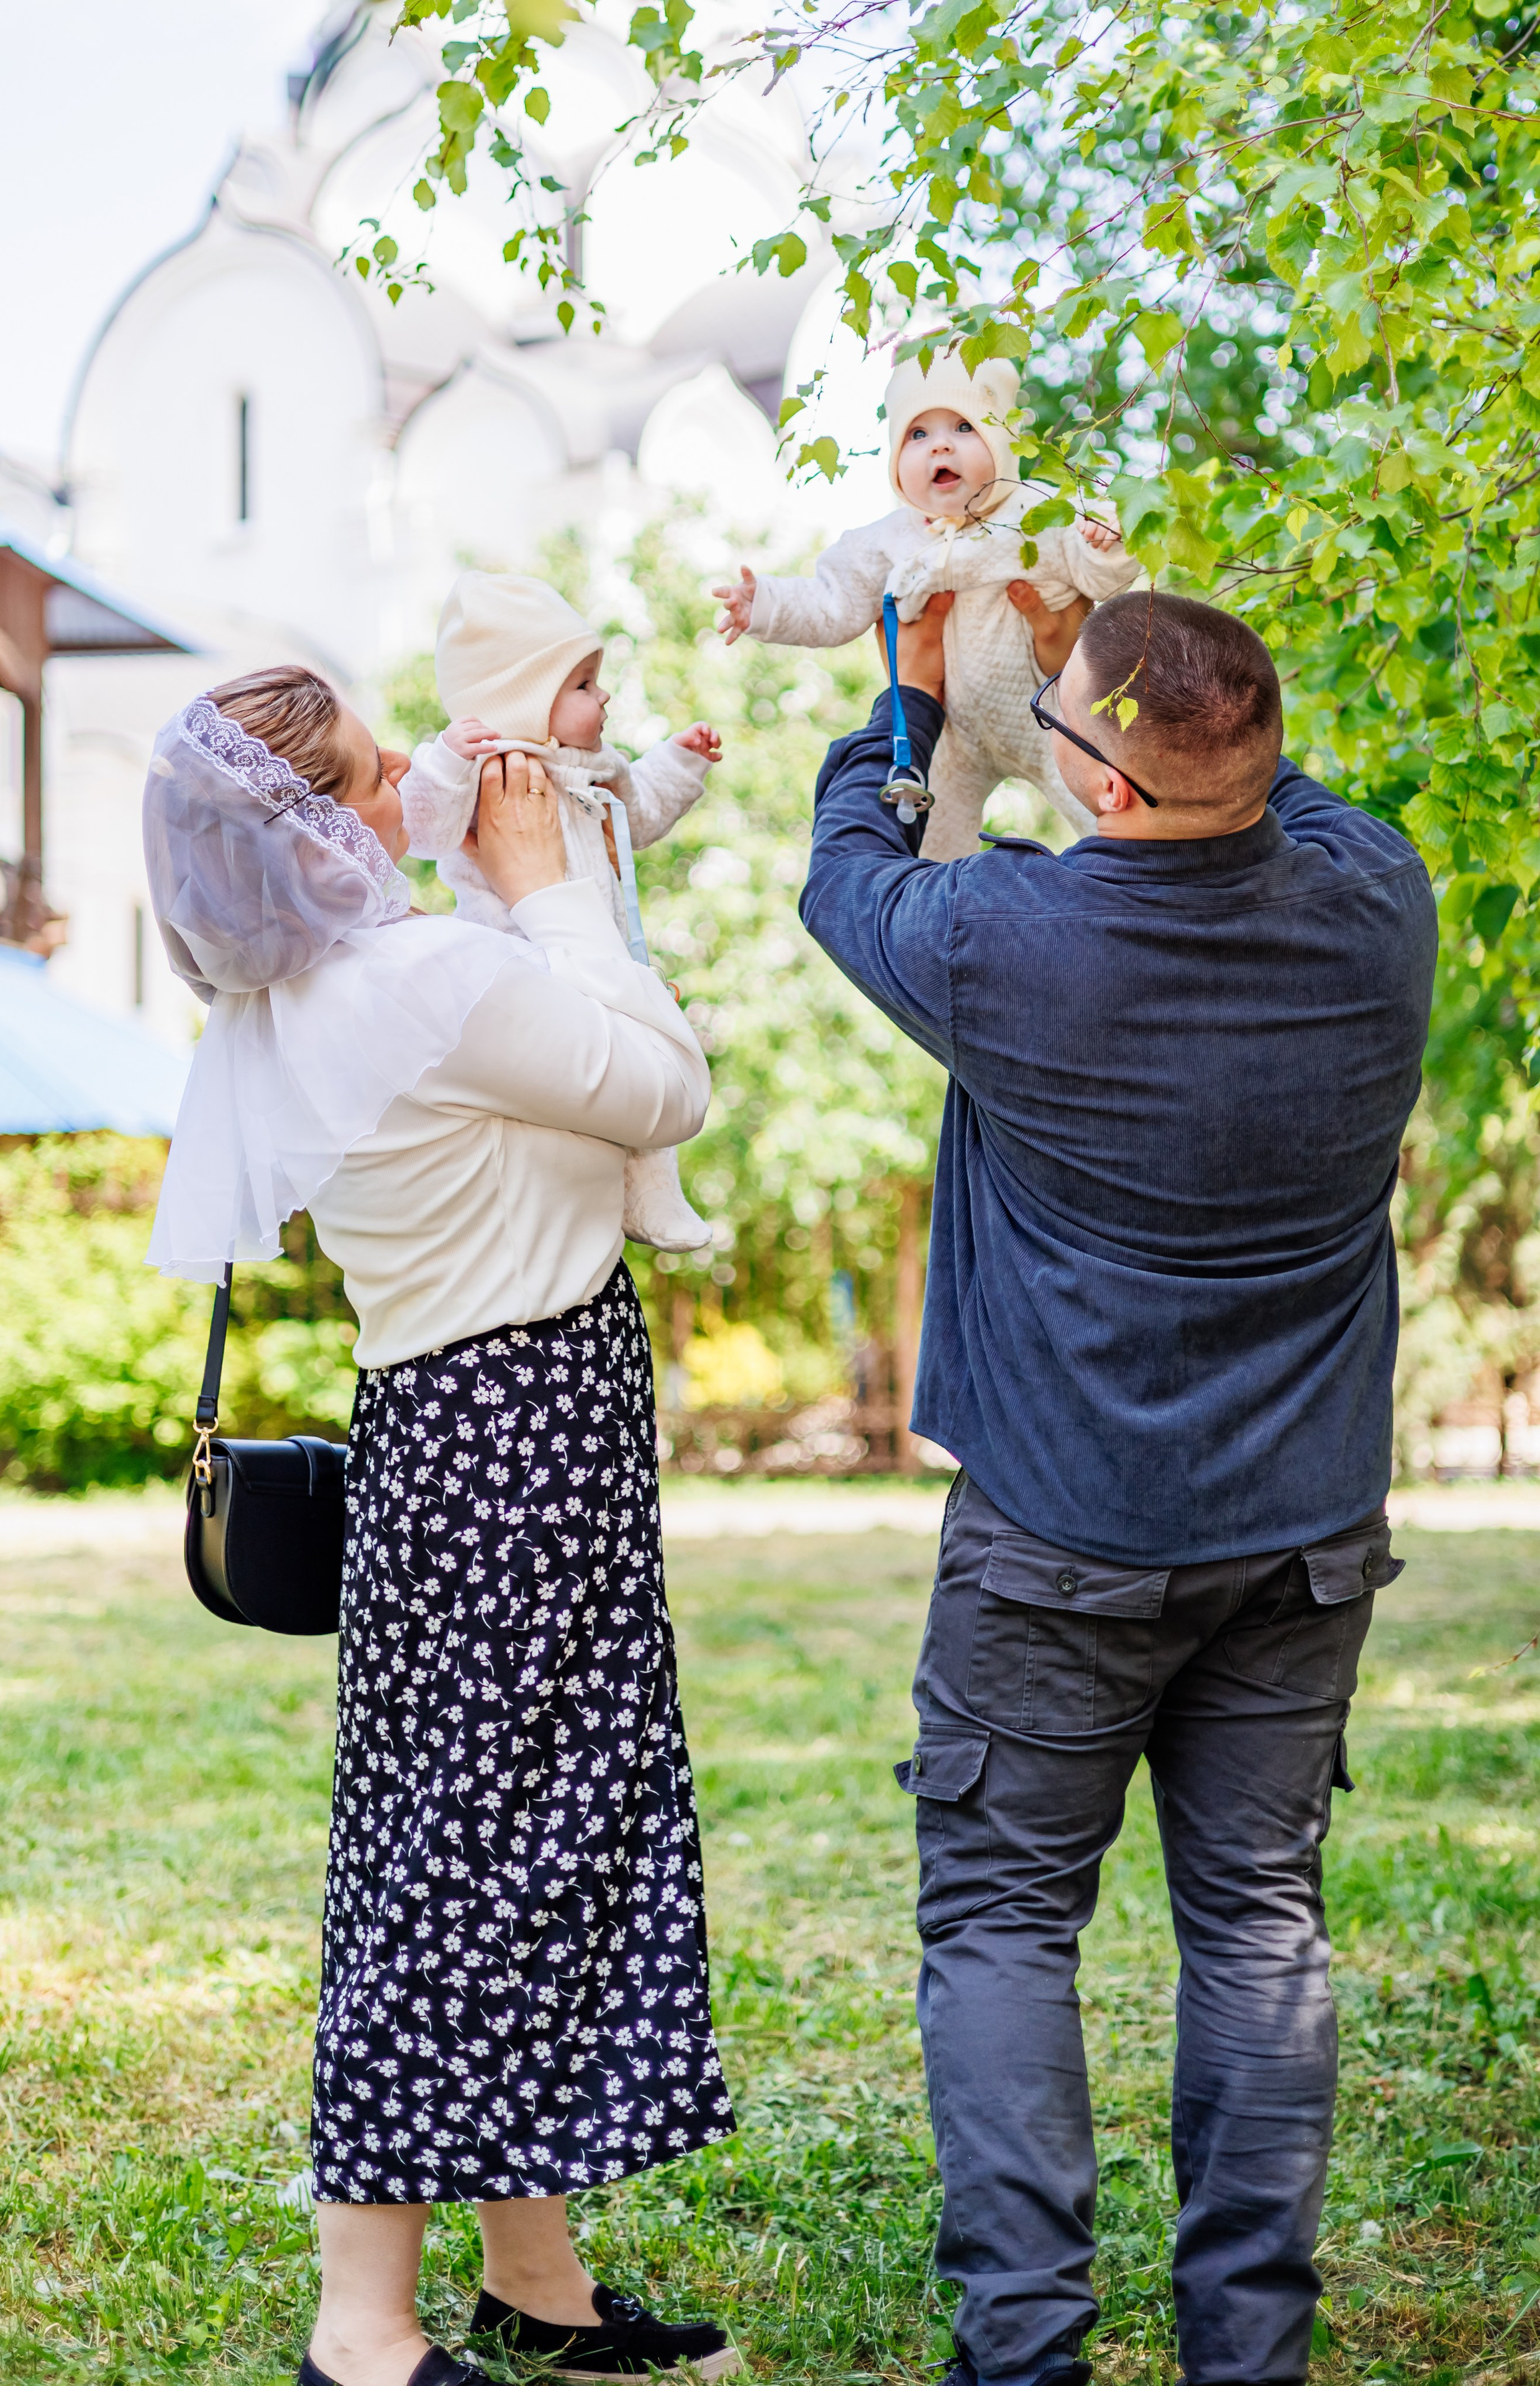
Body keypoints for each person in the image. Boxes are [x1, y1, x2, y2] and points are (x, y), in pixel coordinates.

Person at [797, 591, 1437, 2386]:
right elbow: (1266, 785)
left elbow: (846, 868)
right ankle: (1251, 2355)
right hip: (1302, 1538)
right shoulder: (1380, 900)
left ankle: (1032, 2354)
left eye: (1069, 728)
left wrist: (915, 695)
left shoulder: (1011, 935)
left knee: (1004, 1921)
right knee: (1257, 1922)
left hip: (1060, 1540)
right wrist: (1119, 655)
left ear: (1112, 790)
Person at [143, 668, 738, 2386]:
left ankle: (533, 2281)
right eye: (380, 765)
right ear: (326, 824)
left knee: (497, 1844)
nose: (419, 773)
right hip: (521, 1445)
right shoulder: (430, 978)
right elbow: (666, 1085)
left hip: (443, 1439)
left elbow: (537, 1035)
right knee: (464, 1872)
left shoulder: (320, 986)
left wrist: (521, 857)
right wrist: (552, 882)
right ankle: (364, 2331)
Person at [399, 570, 721, 1251]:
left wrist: (678, 762)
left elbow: (638, 817)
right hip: (518, 971)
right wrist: (446, 762)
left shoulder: (593, 770)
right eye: (581, 684)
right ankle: (595, 1200)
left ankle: (652, 1195)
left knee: (637, 1069)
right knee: (575, 1093)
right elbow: (421, 832)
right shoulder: (485, 776)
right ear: (518, 701)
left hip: (597, 952)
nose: (602, 695)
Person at [711, 349, 1138, 858]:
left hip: (1045, 709)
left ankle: (1145, 886)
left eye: (963, 427)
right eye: (918, 435)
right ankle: (936, 915)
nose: (940, 447)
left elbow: (1098, 575)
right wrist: (768, 604)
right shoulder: (887, 539)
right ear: (895, 459)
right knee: (924, 841)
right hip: (944, 725)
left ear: (1001, 440)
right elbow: (835, 601)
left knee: (1111, 808)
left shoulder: (1037, 510)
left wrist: (1104, 540)